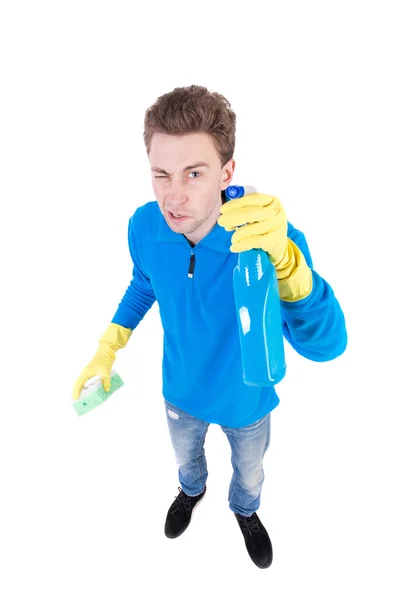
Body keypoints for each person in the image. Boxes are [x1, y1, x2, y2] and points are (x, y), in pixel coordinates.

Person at [72, 84, 347, 569]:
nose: (172, 196)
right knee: (186, 460)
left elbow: (327, 347)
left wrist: (290, 267)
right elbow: (145, 284)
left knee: (250, 473)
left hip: (247, 402)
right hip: (179, 392)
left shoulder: (268, 242)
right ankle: (190, 491)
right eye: (160, 174)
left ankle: (245, 511)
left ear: (227, 173)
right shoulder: (144, 226)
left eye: (193, 173)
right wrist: (108, 346)